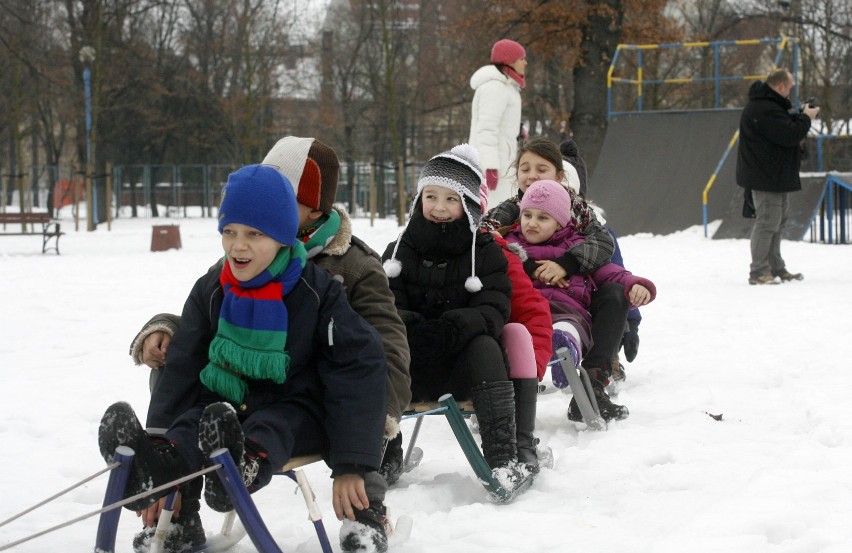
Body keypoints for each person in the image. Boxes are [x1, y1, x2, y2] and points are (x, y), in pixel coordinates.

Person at [102, 164, 390, 553]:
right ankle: (158, 469)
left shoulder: (317, 292)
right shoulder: (213, 288)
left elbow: (359, 365)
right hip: (223, 412)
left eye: (255, 234)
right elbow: (183, 366)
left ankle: (239, 470)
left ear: (284, 237)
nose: (239, 246)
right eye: (229, 232)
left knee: (275, 421)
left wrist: (352, 464)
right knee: (193, 421)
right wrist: (159, 436)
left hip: (297, 408)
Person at [382, 143, 529, 488]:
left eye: (452, 199)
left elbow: (495, 306)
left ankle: (502, 458)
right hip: (409, 364)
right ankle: (382, 453)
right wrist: (412, 328)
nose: (439, 207)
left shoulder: (487, 252)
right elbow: (382, 305)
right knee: (376, 349)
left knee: (487, 347)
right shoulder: (397, 252)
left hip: (462, 365)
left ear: (469, 204)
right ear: (419, 199)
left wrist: (455, 327)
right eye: (431, 196)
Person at [480, 137, 630, 401]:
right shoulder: (510, 210)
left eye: (541, 169)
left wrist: (566, 264)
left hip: (571, 295)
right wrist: (522, 262)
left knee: (612, 295)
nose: (531, 176)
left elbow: (603, 242)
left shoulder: (576, 208)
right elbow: (482, 235)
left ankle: (592, 381)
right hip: (524, 294)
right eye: (525, 169)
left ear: (559, 175)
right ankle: (497, 391)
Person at [504, 179, 656, 422]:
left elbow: (611, 273)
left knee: (603, 302)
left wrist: (634, 284)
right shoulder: (509, 245)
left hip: (568, 313)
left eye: (543, 218)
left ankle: (584, 377)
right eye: (528, 215)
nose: (532, 223)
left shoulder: (579, 248)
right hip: (524, 315)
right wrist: (527, 267)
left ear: (560, 221)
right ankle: (498, 400)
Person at [736, 67, 819, 285]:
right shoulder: (765, 109)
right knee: (767, 223)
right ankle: (759, 271)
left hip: (775, 175)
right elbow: (789, 135)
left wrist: (799, 115)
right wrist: (806, 118)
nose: (790, 92)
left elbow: (784, 129)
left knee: (777, 222)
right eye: (789, 88)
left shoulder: (769, 106)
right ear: (781, 86)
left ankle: (775, 267)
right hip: (767, 176)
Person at [469, 38, 527, 206]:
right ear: (509, 61)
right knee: (495, 210)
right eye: (521, 58)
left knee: (505, 209)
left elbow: (502, 124)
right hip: (496, 166)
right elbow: (487, 129)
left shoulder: (507, 86)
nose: (525, 62)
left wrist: (518, 132)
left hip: (505, 160)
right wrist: (490, 166)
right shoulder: (495, 87)